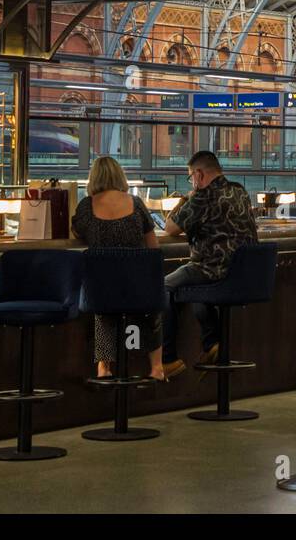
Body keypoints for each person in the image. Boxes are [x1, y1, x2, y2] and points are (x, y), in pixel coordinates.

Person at [160, 150, 258, 375]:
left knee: (162, 287)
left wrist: (187, 197)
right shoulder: (239, 190)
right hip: (245, 273)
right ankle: (212, 343)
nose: (192, 181)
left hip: (214, 269)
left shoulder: (203, 196)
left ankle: (168, 360)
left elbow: (170, 227)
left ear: (199, 174)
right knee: (197, 287)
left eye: (190, 177)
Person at [71, 156, 165, 381]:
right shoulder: (135, 203)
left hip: (100, 292)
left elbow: (76, 233)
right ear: (120, 176)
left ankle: (104, 368)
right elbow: (154, 248)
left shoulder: (86, 206)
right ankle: (156, 367)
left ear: (93, 178)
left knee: (104, 314)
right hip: (137, 289)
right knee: (151, 312)